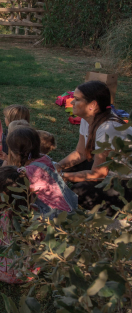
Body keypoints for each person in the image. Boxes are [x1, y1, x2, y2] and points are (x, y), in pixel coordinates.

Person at [55, 81, 132, 214]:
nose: (72, 102)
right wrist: (57, 167)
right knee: (65, 166)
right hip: (108, 172)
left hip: (125, 182)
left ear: (93, 105)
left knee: (79, 192)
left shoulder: (108, 128)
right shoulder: (87, 119)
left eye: (77, 99)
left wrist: (62, 176)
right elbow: (80, 154)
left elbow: (98, 174)